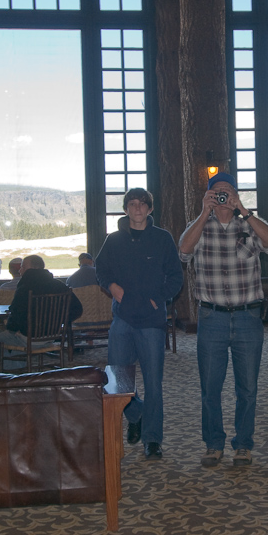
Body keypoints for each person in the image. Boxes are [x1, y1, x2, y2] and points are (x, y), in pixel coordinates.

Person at [179, 172, 268, 467]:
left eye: (228, 192)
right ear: (208, 195)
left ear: (236, 195)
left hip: (248, 317)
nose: (223, 196)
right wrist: (203, 212)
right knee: (211, 387)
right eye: (217, 192)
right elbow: (183, 252)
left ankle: (243, 445)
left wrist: (244, 211)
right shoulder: (199, 227)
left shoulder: (248, 224)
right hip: (212, 318)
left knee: (247, 387)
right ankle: (213, 444)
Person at [95, 189, 183, 461]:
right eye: (132, 204)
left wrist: (159, 300)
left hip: (151, 323)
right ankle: (137, 413)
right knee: (116, 383)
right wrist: (111, 286)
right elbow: (101, 269)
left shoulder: (162, 239)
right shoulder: (114, 240)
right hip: (122, 320)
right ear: (125, 209)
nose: (137, 209)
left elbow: (176, 277)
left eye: (142, 204)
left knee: (154, 383)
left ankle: (153, 440)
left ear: (149, 209)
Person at [0, 255, 82, 375]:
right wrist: (59, 322)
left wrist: (14, 330)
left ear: (33, 268)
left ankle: (12, 371)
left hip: (27, 338)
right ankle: (17, 367)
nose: (20, 270)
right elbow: (77, 309)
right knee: (8, 340)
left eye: (23, 266)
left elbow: (16, 315)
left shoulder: (25, 287)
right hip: (52, 336)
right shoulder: (59, 285)